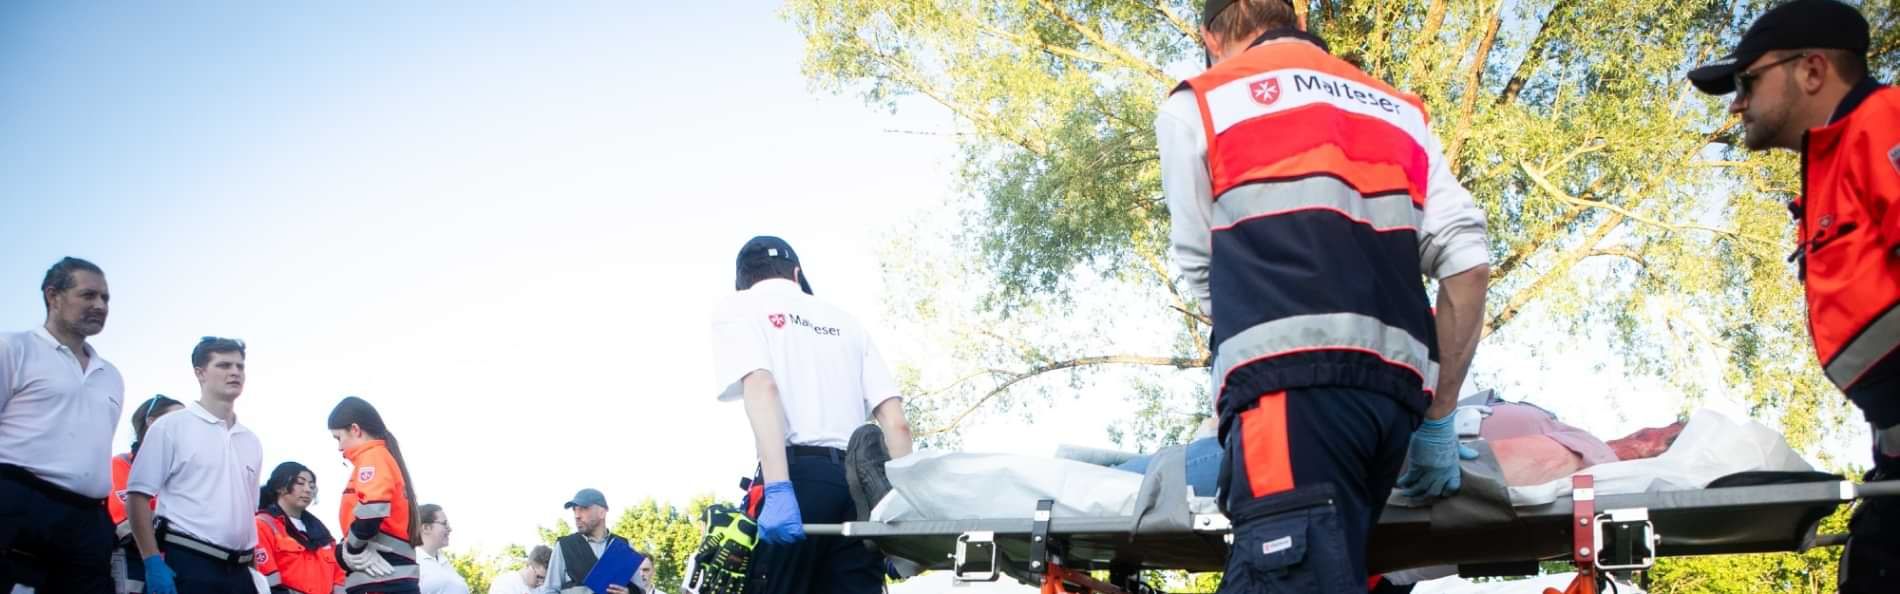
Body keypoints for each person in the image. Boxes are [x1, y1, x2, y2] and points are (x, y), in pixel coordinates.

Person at [1156, 1, 1492, 591]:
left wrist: (1243, 360)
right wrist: (1438, 416)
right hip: (1392, 410)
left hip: (1285, 397)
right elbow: (1467, 260)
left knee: (1286, 571)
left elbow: (1201, 268)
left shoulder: (1200, 104)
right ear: (1297, 21)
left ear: (1209, 35)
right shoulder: (1399, 110)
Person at [1683, 1, 1898, 590]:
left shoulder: (1885, 125)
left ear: (1811, 71)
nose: (1736, 103)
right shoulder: (1828, 164)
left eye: (1747, 81)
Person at [709, 236, 916, 594]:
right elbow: (896, 422)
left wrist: (777, 488)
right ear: (796, 273)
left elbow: (762, 387)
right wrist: (907, 508)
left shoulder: (741, 306)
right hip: (861, 490)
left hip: (796, 480)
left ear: (743, 280)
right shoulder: (848, 322)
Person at [0, 256, 125, 593]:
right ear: (53, 296)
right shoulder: (13, 347)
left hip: (88, 521)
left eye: (105, 298)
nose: (100, 305)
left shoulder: (110, 375)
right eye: (88, 295)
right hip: (19, 505)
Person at [126, 337, 265, 594]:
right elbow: (136, 497)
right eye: (224, 365)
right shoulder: (171, 427)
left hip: (241, 573)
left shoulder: (251, 441)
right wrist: (152, 561)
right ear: (200, 373)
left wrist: (254, 573)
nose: (235, 372)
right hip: (191, 564)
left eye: (240, 366)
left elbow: (248, 516)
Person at [329, 396, 422, 593]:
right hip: (386, 578)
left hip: (381, 581)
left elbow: (372, 509)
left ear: (355, 429)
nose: (339, 447)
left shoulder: (372, 456)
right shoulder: (380, 457)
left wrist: (352, 549)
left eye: (338, 437)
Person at [109, 395, 186, 594]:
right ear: (151, 422)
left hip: (179, 566)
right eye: (178, 420)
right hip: (133, 567)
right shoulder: (119, 466)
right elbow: (124, 525)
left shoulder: (184, 476)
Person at [254, 461, 346, 594]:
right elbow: (264, 583)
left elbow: (339, 580)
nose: (308, 489)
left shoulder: (323, 535)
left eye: (311, 485)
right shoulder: (263, 525)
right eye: (300, 483)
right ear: (280, 487)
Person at [538, 489, 640, 594]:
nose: (577, 515)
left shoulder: (623, 546)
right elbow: (549, 591)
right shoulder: (564, 546)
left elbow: (640, 590)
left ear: (602, 512)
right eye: (574, 510)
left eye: (583, 509)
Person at [415, 505, 467, 594]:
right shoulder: (413, 562)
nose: (450, 529)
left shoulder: (443, 561)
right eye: (444, 524)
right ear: (426, 528)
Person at [485, 546, 549, 594]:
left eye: (545, 579)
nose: (542, 583)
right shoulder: (504, 582)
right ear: (529, 566)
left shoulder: (542, 589)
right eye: (539, 577)